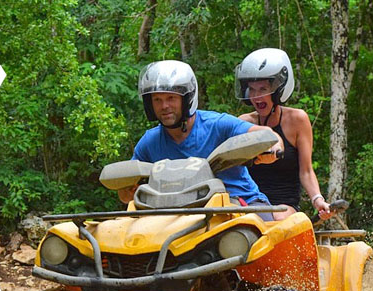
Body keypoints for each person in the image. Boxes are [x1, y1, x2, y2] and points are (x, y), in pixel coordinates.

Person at [118, 60, 283, 220]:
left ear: (187, 99)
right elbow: (125, 195)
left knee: (260, 234)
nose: (164, 106)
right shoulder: (149, 142)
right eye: (157, 100)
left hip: (239, 203)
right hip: (174, 213)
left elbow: (267, 134)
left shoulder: (218, 124)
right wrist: (129, 189)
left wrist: (273, 148)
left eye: (171, 98)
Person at [235, 48, 334, 221]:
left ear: (278, 89)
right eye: (252, 89)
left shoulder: (297, 120)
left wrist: (317, 200)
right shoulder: (244, 122)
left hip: (283, 206)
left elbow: (306, 170)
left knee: (276, 221)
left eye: (263, 89)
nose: (256, 96)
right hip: (248, 204)